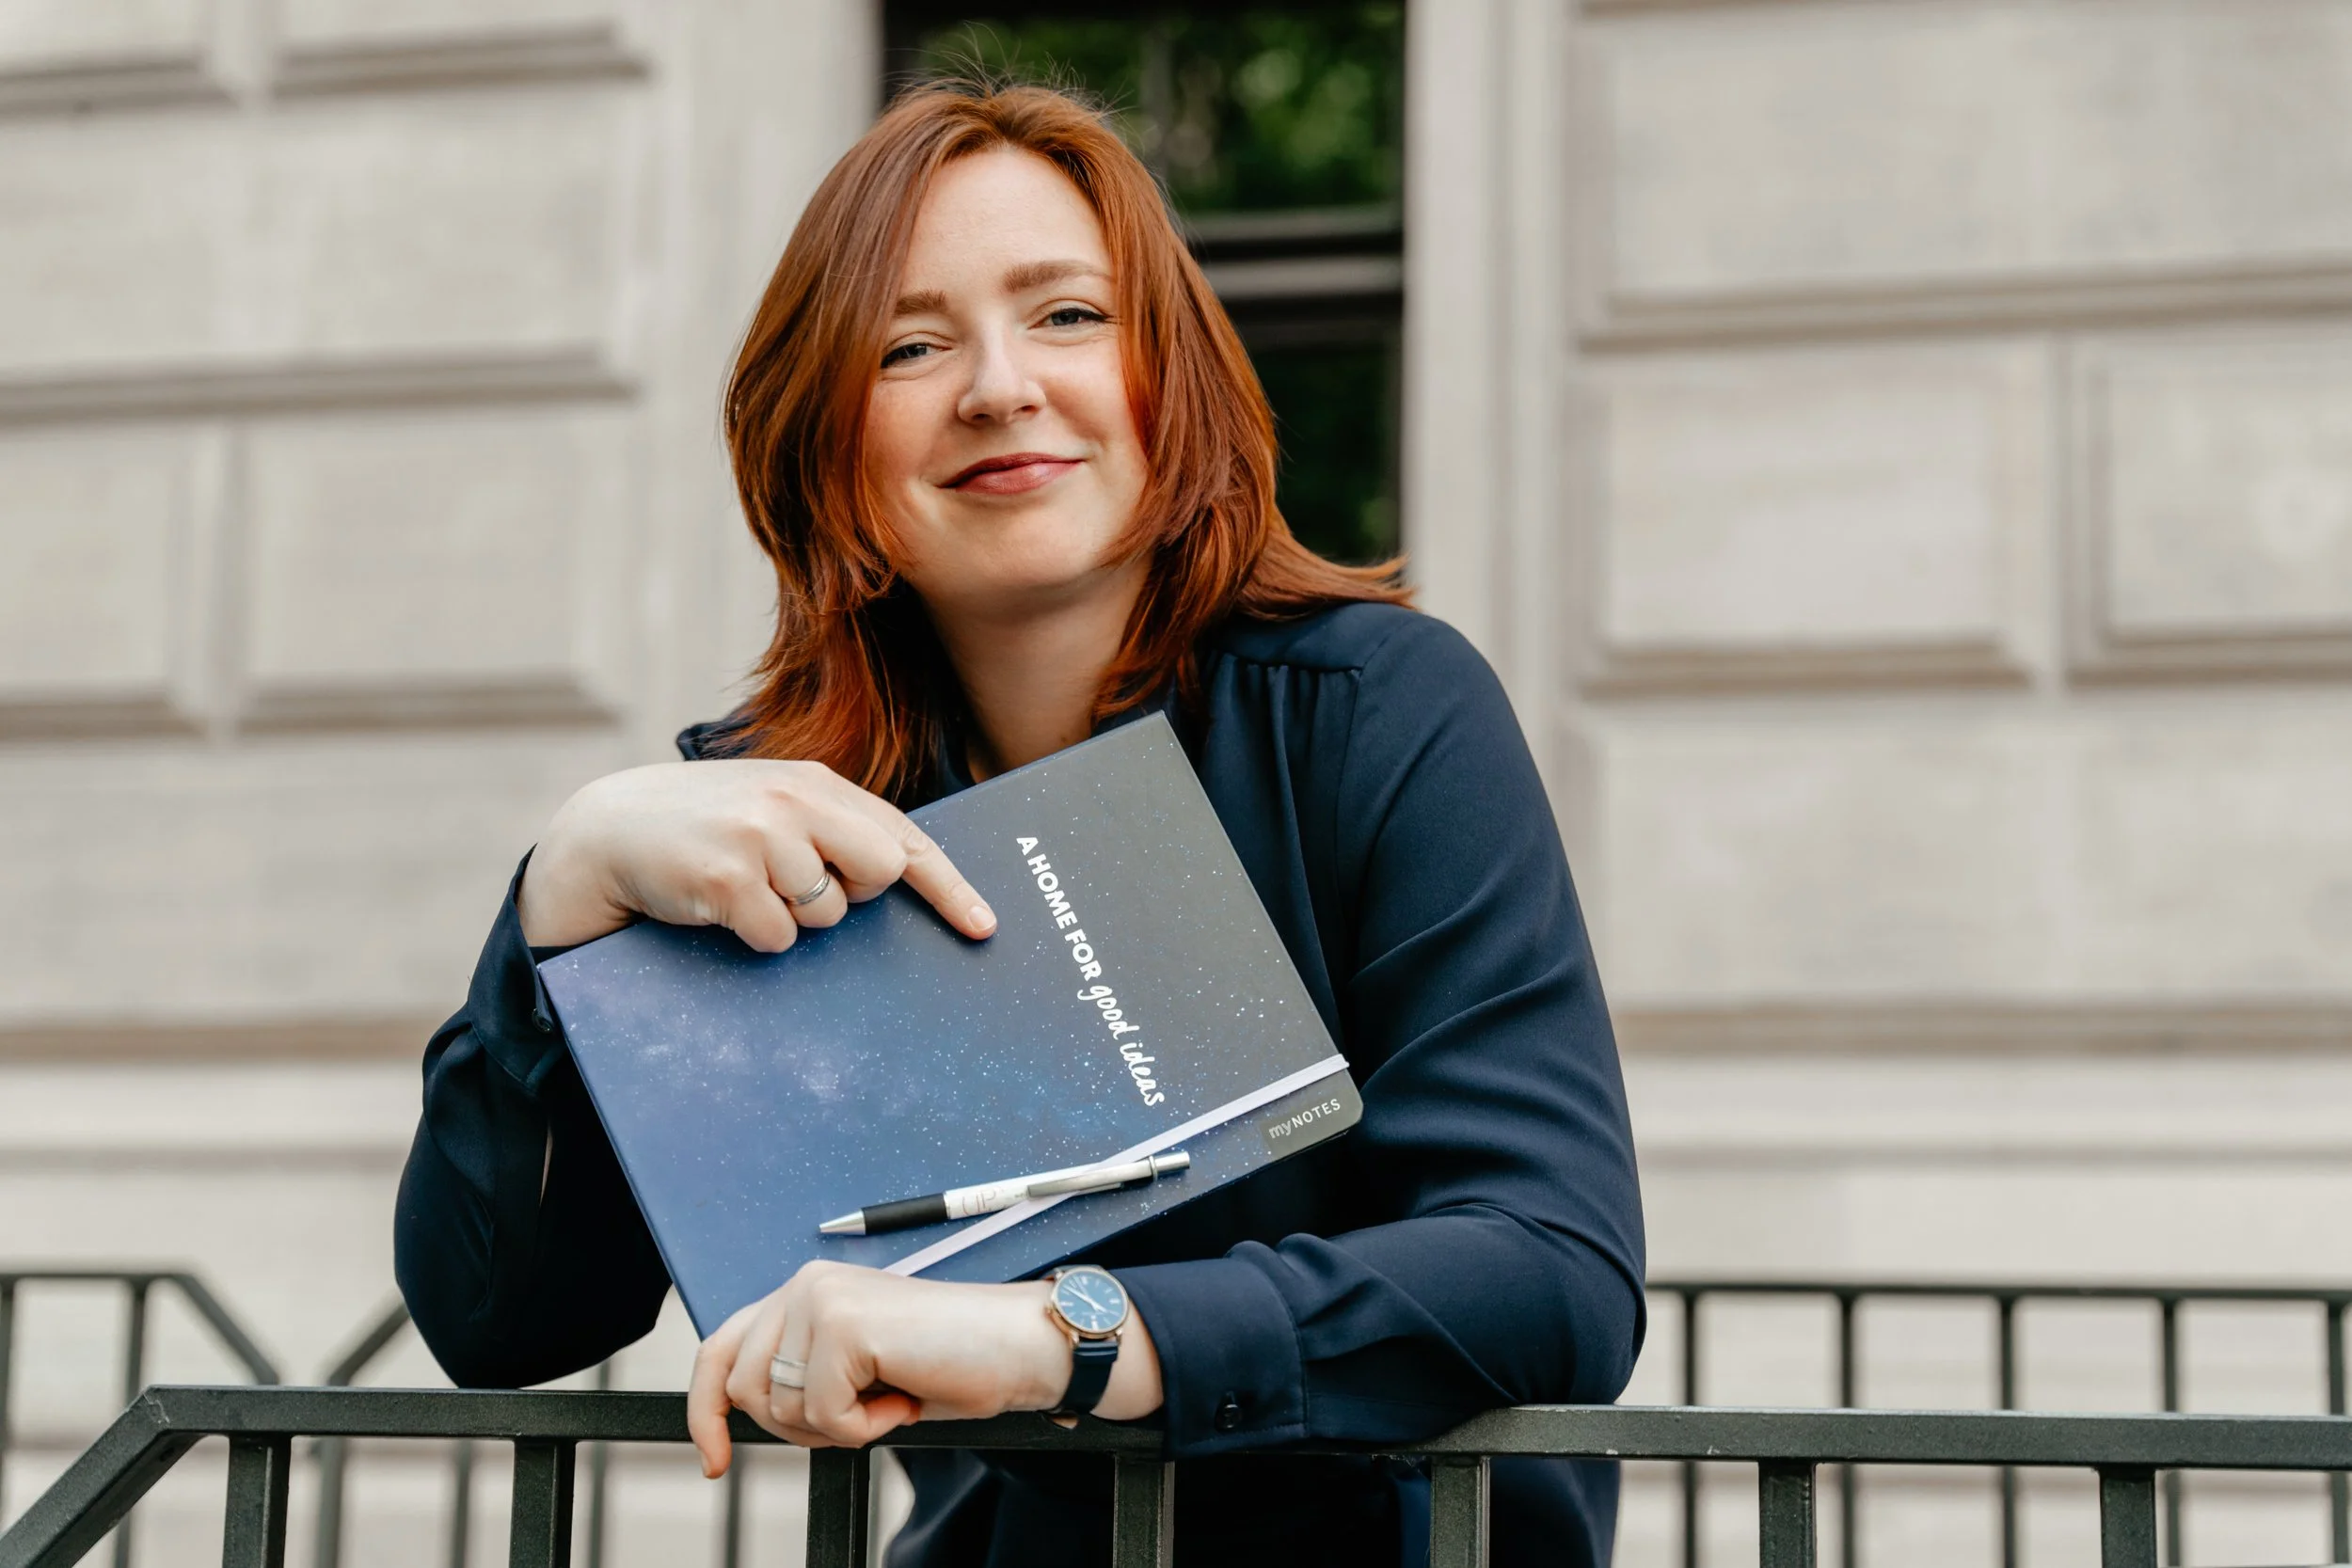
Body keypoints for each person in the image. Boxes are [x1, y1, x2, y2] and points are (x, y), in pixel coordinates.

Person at [393, 80, 1645, 1567]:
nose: (999, 387)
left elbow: (1550, 1264)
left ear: (1168, 372)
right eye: (911, 347)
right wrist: (558, 900)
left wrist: (1065, 1335)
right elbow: (506, 1322)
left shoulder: (1376, 709)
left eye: (1067, 316)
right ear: (823, 433)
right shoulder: (772, 819)